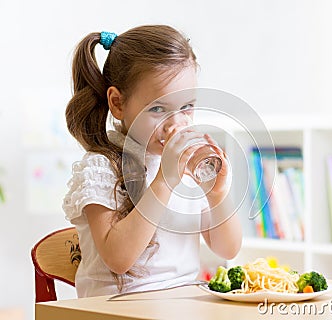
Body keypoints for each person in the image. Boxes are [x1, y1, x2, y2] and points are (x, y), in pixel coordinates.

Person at [63, 25, 242, 298]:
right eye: (158, 109)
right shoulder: (102, 167)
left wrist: (216, 196)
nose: (177, 123)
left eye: (186, 108)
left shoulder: (184, 167)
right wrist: (164, 181)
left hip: (181, 303)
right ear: (118, 103)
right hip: (114, 309)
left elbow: (227, 249)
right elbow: (118, 259)